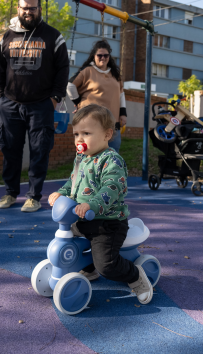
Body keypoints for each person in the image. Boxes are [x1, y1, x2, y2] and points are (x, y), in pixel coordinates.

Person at [47, 104, 153, 304]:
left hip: (108, 223)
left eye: (86, 133)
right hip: (83, 218)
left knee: (107, 265)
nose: (79, 139)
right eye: (76, 134)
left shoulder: (111, 160)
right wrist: (60, 193)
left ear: (107, 134)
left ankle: (135, 276)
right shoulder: (81, 158)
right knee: (69, 239)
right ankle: (88, 268)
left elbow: (111, 188)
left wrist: (92, 204)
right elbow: (73, 182)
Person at [0, 0, 69, 212]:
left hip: (41, 104)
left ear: (39, 10)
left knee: (39, 150)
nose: (28, 12)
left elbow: (63, 69)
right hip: (10, 104)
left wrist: (55, 98)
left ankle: (34, 196)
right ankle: (10, 193)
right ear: (18, 9)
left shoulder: (53, 37)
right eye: (24, 8)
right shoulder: (7, 36)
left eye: (32, 8)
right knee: (10, 149)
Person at [66, 40, 127, 152]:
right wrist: (78, 103)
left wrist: (123, 113)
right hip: (90, 122)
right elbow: (70, 86)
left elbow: (121, 94)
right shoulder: (87, 71)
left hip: (112, 123)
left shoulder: (115, 75)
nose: (102, 58)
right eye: (99, 55)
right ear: (94, 56)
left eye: (105, 55)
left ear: (109, 57)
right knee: (90, 154)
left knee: (112, 155)